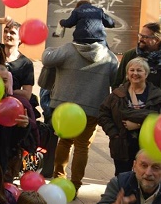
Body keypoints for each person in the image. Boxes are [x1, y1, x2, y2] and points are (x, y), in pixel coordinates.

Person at [43, 35, 117, 191]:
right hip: (93, 108)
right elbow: (115, 82)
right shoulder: (110, 57)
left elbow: (47, 59)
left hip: (66, 108)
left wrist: (49, 48)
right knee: (82, 147)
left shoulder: (67, 49)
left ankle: (59, 179)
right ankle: (75, 185)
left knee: (64, 141)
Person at [99, 57, 161, 176]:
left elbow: (158, 117)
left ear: (146, 74)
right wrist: (114, 133)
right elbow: (103, 114)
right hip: (122, 144)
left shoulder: (157, 95)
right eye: (132, 70)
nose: (135, 73)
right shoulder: (117, 95)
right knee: (122, 178)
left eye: (139, 70)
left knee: (146, 177)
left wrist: (138, 124)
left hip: (149, 146)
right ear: (127, 73)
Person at [0, 16, 35, 102]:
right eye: (5, 31)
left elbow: (27, 94)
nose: (7, 35)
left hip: (11, 104)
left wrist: (6, 90)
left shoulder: (26, 63)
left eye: (12, 33)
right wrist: (2, 20)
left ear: (21, 39)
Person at [114, 22, 161, 88]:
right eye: (140, 35)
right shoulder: (130, 55)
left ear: (157, 40)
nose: (141, 39)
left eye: (145, 37)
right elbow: (117, 83)